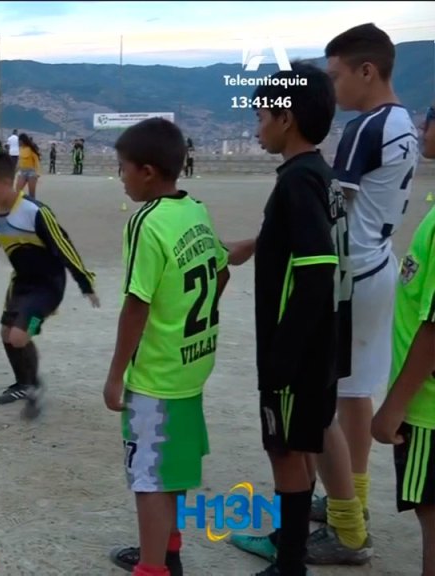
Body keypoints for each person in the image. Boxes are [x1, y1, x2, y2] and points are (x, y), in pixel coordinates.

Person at [231, 24, 418, 567]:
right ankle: (340, 511)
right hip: (375, 260)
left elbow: (316, 231)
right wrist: (256, 245)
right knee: (339, 402)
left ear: (367, 70)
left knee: (330, 407)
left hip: (350, 275)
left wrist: (283, 356)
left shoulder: (361, 131)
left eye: (335, 75)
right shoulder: (404, 122)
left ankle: (347, 522)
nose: (332, 89)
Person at [104, 118, 230, 576]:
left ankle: (153, 568)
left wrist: (116, 373)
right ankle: (167, 550)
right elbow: (221, 269)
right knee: (171, 469)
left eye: (123, 168)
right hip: (191, 365)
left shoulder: (146, 222)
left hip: (155, 375)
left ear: (148, 172)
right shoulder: (195, 209)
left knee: (149, 478)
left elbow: (137, 305)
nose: (121, 177)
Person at [245, 62, 352, 576]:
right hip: (323, 344)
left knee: (284, 451)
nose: (257, 125)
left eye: (262, 114)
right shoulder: (320, 177)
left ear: (285, 118)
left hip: (297, 349)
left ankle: (289, 564)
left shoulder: (296, 182)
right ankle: (294, 549)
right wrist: (252, 247)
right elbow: (305, 247)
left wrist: (281, 361)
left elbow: (315, 273)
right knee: (303, 443)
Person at [0, 150, 99, 418]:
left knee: (21, 335)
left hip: (49, 288)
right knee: (6, 334)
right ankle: (23, 383)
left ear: (6, 182)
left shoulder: (35, 212)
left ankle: (35, 385)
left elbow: (64, 246)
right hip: (21, 285)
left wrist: (85, 282)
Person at [370, 103, 434, 576]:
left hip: (429, 410)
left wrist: (395, 405)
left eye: (427, 123)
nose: (420, 130)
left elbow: (434, 326)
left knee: (432, 512)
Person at [15, 133, 41, 198]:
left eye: (19, 141)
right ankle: (22, 203)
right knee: (18, 190)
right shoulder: (20, 149)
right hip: (22, 171)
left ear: (23, 141)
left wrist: (37, 172)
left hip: (31, 172)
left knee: (32, 193)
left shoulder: (31, 149)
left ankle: (33, 206)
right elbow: (20, 161)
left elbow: (36, 161)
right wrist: (15, 171)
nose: (18, 142)